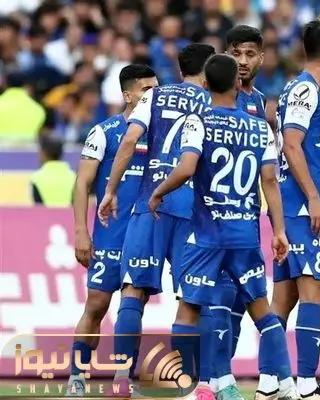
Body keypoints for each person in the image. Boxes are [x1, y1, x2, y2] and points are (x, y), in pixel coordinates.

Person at [147, 53, 292, 400]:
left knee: (189, 308)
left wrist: (158, 192)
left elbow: (186, 168)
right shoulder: (260, 127)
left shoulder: (198, 121)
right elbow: (269, 181)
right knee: (262, 309)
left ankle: (187, 388)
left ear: (205, 84)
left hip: (206, 234)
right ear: (238, 84)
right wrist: (280, 231)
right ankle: (286, 383)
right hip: (244, 234)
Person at [97, 43, 215, 396]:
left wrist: (111, 190)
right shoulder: (215, 102)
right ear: (210, 70)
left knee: (133, 291)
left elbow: (130, 140)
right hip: (194, 210)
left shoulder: (154, 96)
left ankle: (121, 380)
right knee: (193, 297)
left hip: (151, 203)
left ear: (180, 71)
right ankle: (195, 384)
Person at [66, 64, 158, 396]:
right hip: (110, 233)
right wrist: (81, 232)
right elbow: (82, 184)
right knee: (96, 305)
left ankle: (123, 378)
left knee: (133, 306)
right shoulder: (104, 132)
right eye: (147, 90)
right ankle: (77, 376)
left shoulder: (161, 135)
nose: (154, 96)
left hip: (145, 234)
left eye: (157, 89)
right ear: (128, 95)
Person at [270, 19, 320, 399]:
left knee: (284, 298)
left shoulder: (296, 88)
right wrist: (315, 199)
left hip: (290, 206)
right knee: (314, 289)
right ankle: (304, 385)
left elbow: (304, 150)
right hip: (301, 208)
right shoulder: (305, 90)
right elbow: (292, 145)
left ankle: (269, 384)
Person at [205, 24, 277, 400]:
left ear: (261, 58)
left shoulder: (262, 105)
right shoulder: (209, 101)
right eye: (237, 54)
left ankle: (221, 378)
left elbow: (268, 171)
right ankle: (216, 379)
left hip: (247, 219)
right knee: (216, 298)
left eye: (250, 54)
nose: (244, 61)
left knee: (238, 302)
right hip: (211, 221)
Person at [31, 135, 76, 207]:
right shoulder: (74, 177)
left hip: (44, 215)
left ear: (44, 152)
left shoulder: (35, 178)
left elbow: (36, 208)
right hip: (69, 215)